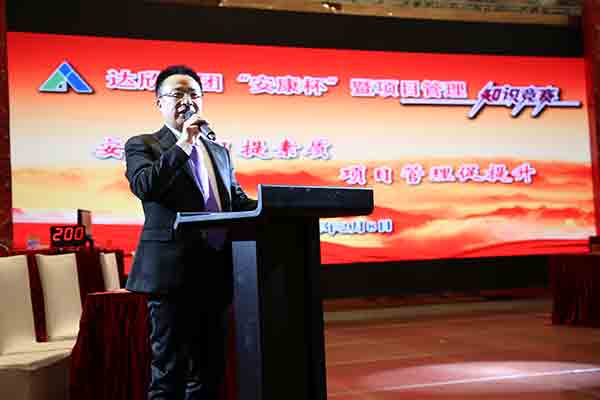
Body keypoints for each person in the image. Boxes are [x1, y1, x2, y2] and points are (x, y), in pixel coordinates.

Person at [124, 64, 256, 400]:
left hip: (216, 273)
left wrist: (276, 205)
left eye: (194, 94)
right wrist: (183, 144)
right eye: (178, 94)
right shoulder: (143, 145)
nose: (187, 101)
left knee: (209, 374)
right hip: (172, 277)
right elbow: (145, 186)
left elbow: (236, 202)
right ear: (159, 102)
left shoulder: (219, 152)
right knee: (168, 374)